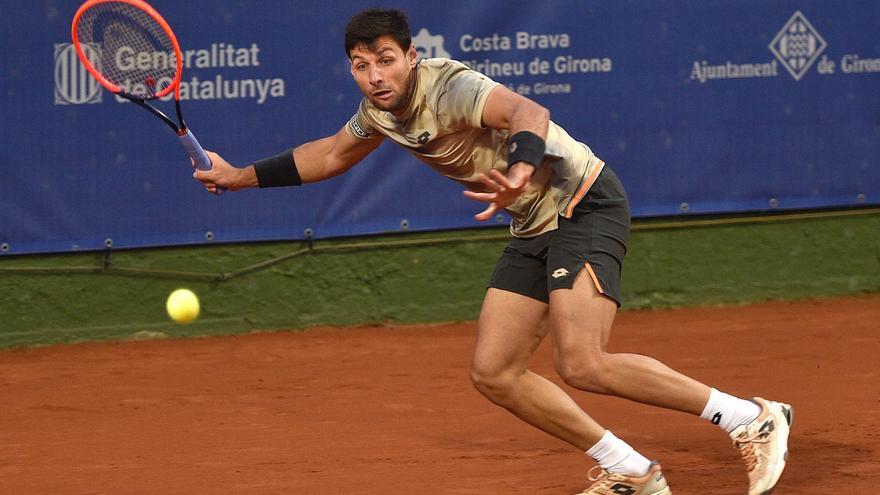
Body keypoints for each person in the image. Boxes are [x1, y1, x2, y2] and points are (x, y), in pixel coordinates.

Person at [193, 9, 792, 495]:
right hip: (532, 223)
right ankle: (632, 472)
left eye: (385, 59)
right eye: (360, 65)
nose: (374, 74)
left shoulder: (451, 86)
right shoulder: (378, 111)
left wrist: (520, 166)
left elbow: (529, 112)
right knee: (495, 372)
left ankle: (749, 417)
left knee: (582, 361)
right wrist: (238, 175)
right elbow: (330, 154)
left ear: (410, 57)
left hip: (581, 202)